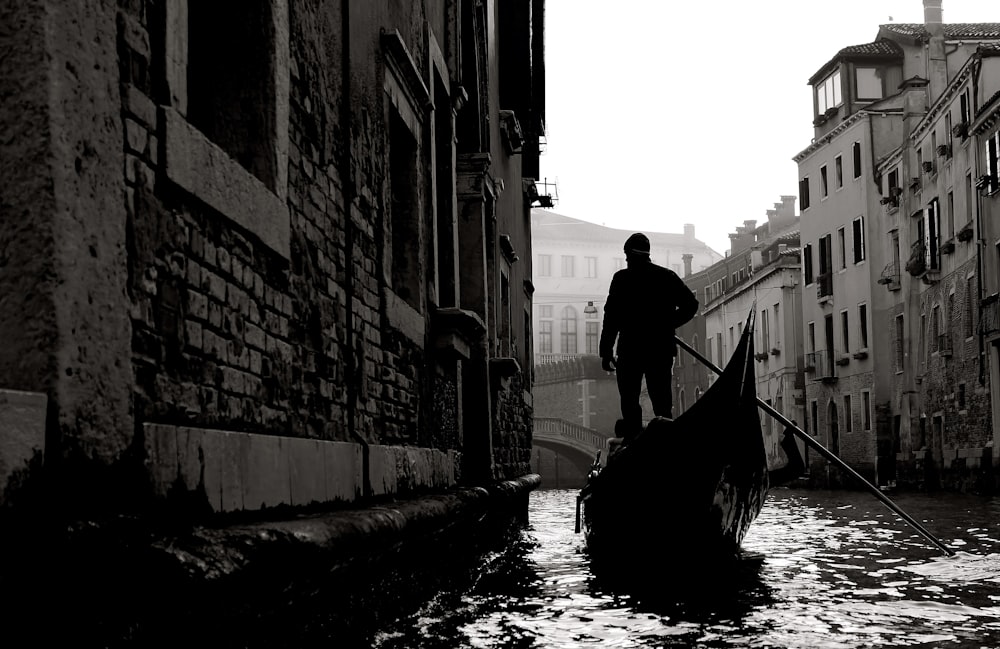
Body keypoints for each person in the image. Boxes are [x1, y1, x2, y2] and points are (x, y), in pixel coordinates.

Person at [599, 233, 698, 441]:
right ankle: (666, 444)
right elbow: (691, 305)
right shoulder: (667, 277)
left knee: (629, 401)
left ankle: (633, 442)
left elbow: (611, 318)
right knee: (662, 402)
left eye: (626, 257)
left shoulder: (621, 279)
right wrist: (669, 323)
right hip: (659, 348)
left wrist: (606, 352)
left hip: (630, 350)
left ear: (629, 255)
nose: (626, 261)